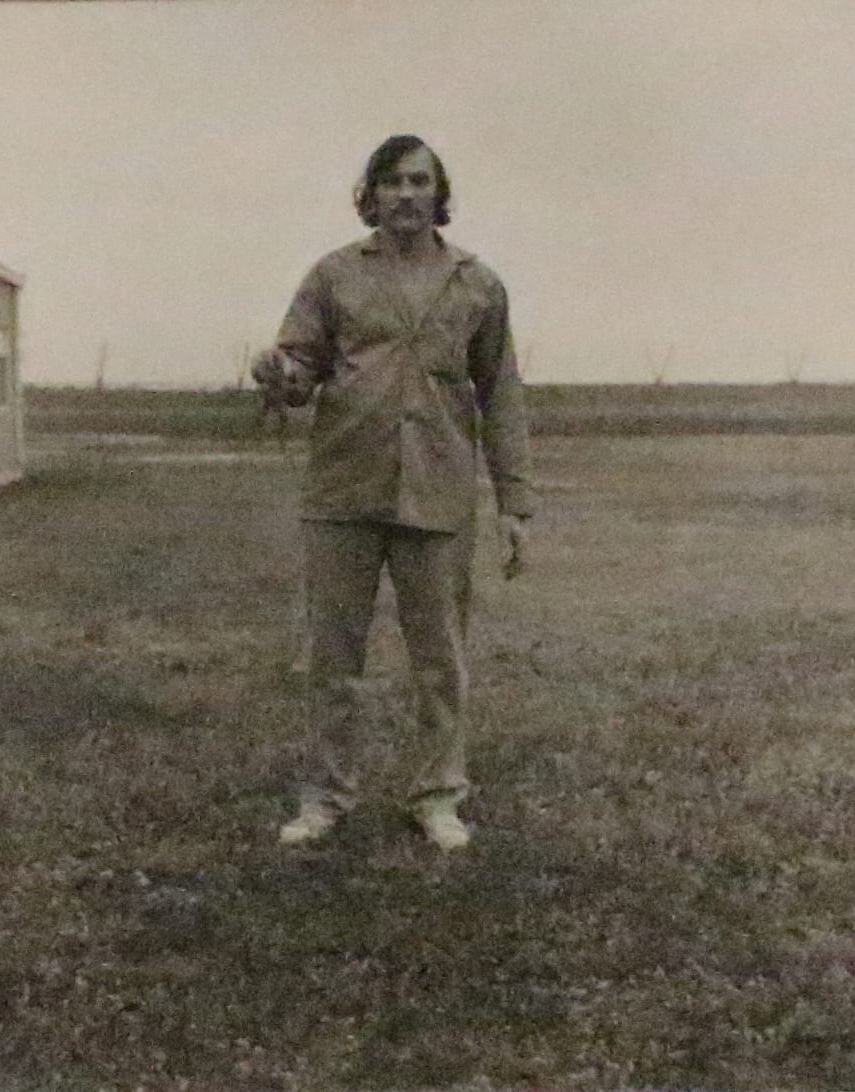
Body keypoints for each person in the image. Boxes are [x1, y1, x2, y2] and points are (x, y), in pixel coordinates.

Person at [253, 134, 533, 850]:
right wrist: (279, 371)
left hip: (438, 492)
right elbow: (301, 367)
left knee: (440, 659)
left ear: (439, 195)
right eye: (391, 182)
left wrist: (514, 502)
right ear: (370, 194)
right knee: (332, 656)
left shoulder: (477, 284)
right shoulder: (333, 275)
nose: (406, 195)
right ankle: (324, 798)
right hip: (344, 486)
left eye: (419, 182)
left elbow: (500, 395)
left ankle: (438, 797)